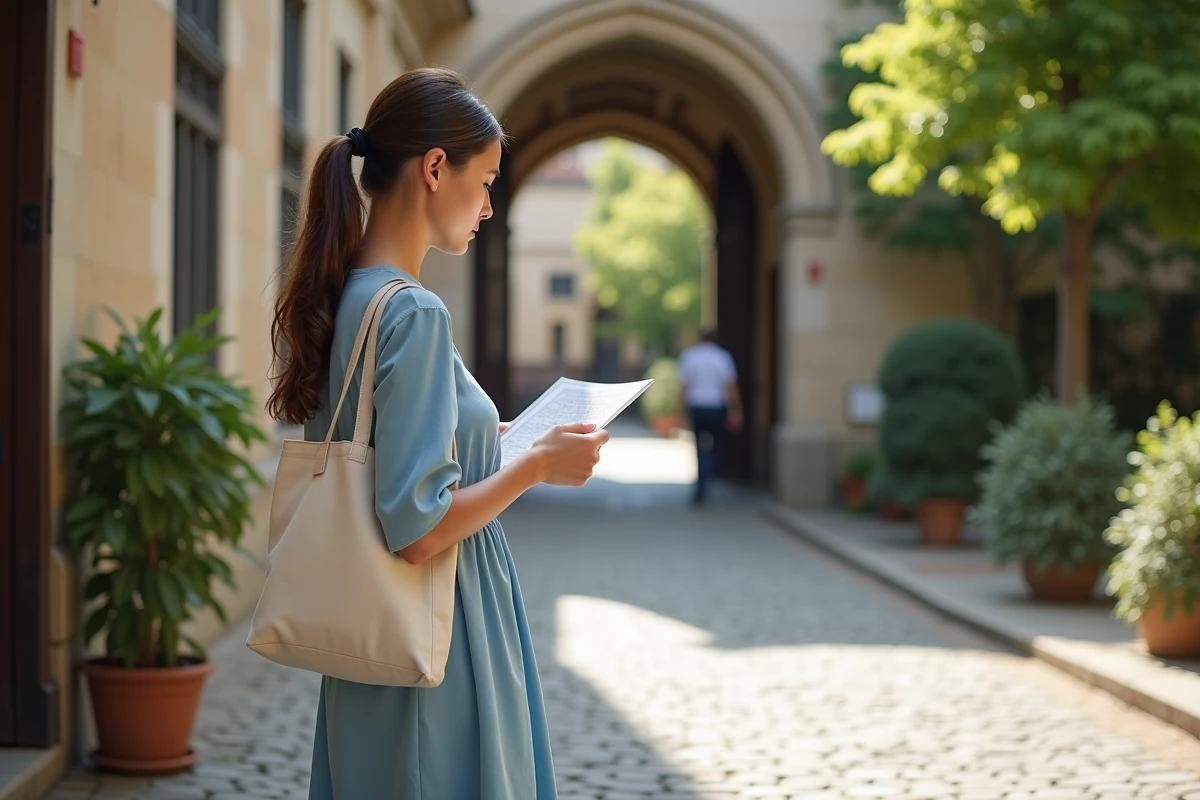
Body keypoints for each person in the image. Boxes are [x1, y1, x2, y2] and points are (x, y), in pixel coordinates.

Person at [266, 67, 608, 800]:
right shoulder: (416, 313)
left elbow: (398, 446)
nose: (488, 205)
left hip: (370, 639)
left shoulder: (355, 293)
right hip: (436, 628)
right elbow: (418, 530)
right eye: (484, 181)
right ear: (432, 169)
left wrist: (505, 436)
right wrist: (536, 466)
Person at [677, 328, 742, 505]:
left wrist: (682, 411)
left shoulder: (690, 356)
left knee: (699, 448)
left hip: (697, 406)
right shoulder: (722, 357)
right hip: (715, 407)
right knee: (715, 447)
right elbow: (730, 386)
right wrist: (735, 409)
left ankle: (701, 483)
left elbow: (684, 387)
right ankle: (707, 478)